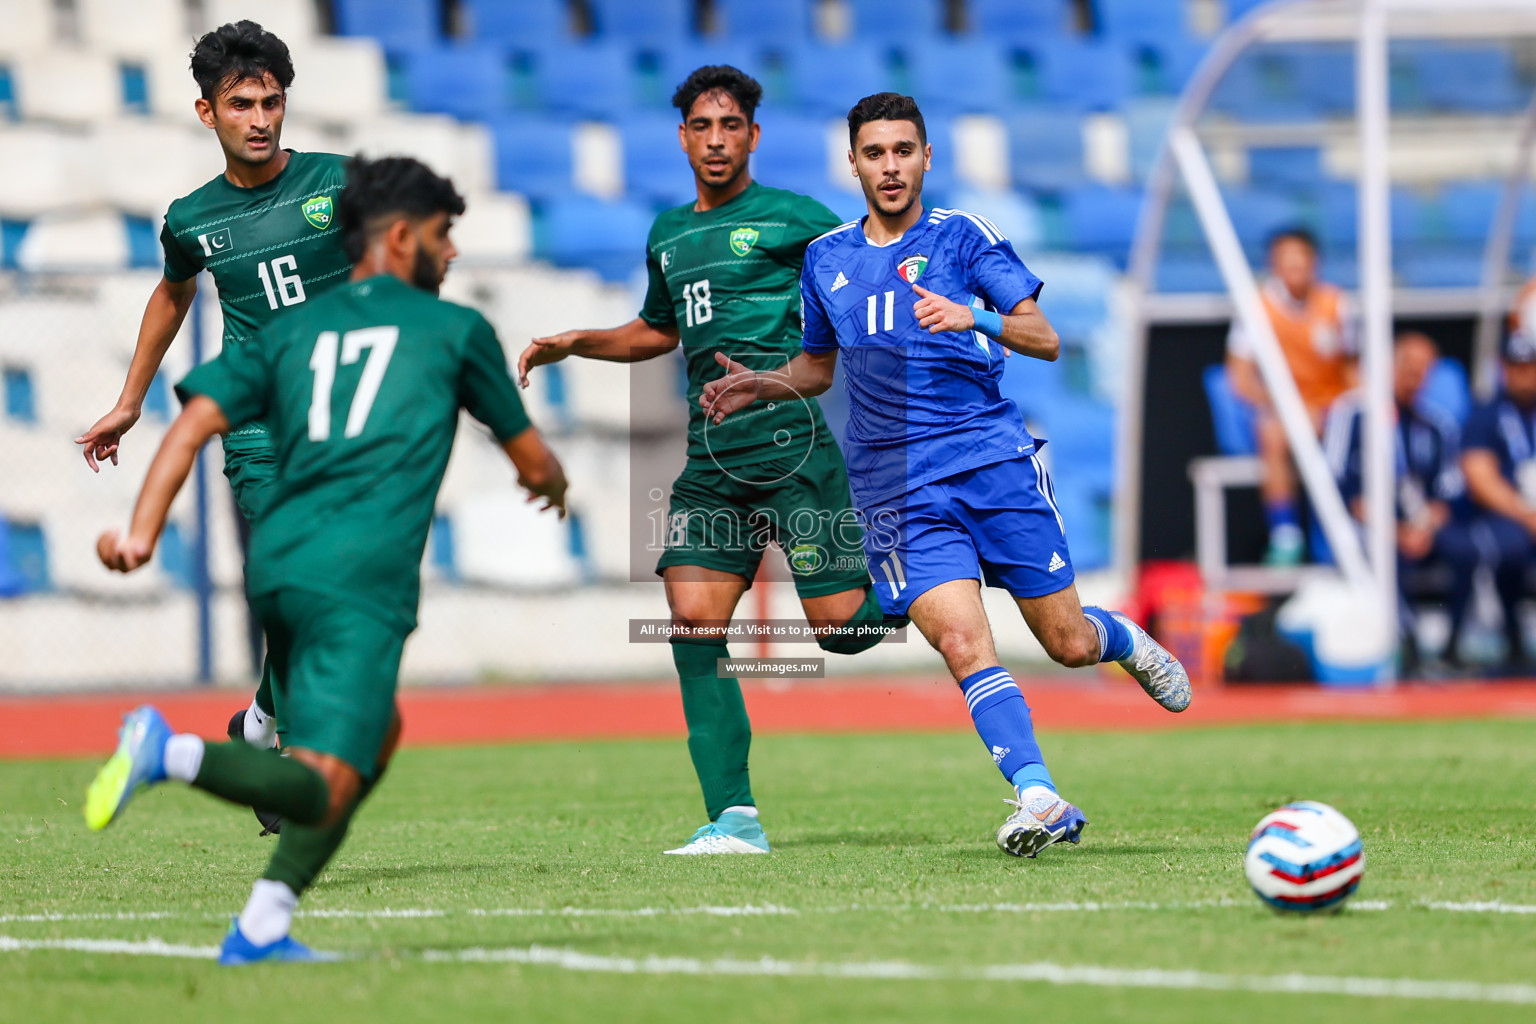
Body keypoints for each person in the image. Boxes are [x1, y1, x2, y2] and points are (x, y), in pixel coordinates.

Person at [82, 156, 567, 964]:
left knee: (377, 740)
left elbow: (195, 421)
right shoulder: (454, 331)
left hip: (280, 560)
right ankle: (170, 750)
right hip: (360, 576)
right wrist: (551, 486)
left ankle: (263, 924)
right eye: (444, 237)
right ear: (403, 236)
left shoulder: (295, 330)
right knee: (321, 778)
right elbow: (533, 458)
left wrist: (142, 532)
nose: (452, 255)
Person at [702, 93, 1190, 859]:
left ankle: (1121, 638)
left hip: (991, 464)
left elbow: (1046, 337)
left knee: (1064, 642)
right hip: (896, 488)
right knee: (964, 643)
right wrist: (760, 382)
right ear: (854, 162)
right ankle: (1039, 795)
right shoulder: (827, 258)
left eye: (903, 151)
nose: (889, 166)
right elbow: (819, 366)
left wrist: (977, 317)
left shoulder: (963, 239)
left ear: (926, 157)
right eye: (874, 153)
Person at [520, 66, 895, 856]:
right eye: (702, 126)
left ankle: (918, 578)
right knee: (691, 622)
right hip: (711, 463)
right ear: (683, 137)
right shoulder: (667, 233)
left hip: (794, 454)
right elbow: (657, 331)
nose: (717, 140)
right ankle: (735, 817)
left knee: (843, 634)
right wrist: (578, 342)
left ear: (753, 136)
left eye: (731, 127)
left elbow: (867, 280)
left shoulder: (797, 221)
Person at [75, 21, 355, 832]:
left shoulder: (341, 184)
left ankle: (258, 726)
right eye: (243, 103)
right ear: (208, 113)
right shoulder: (192, 219)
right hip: (262, 435)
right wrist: (131, 398)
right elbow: (173, 292)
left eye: (272, 101)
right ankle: (292, 784)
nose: (262, 118)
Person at [1322, 332, 1477, 671]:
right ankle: (1408, 644)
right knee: (1383, 554)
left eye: (1423, 369)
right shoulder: (1352, 414)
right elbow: (1338, 486)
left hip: (1420, 526)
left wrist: (1424, 527)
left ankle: (1453, 644)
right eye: (1408, 366)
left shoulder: (1436, 425)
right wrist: (1394, 530)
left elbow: (1448, 491)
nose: (1414, 376)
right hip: (1370, 524)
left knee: (1467, 548)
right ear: (1389, 365)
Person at [1226, 228, 1358, 566]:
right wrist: (1280, 404)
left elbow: (1352, 369)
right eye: (1288, 261)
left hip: (1332, 408)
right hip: (1284, 410)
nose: (1296, 268)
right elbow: (1240, 376)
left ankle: (1349, 534)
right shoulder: (1257, 309)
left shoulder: (1336, 304)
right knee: (1272, 432)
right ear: (1275, 265)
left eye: (1303, 260)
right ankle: (1286, 533)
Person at [1461, 329, 1536, 671]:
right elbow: (1480, 477)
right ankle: (1511, 633)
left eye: (1530, 365)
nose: (1525, 373)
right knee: (1510, 547)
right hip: (1507, 514)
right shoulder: (1486, 415)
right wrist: (1526, 514)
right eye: (1517, 365)